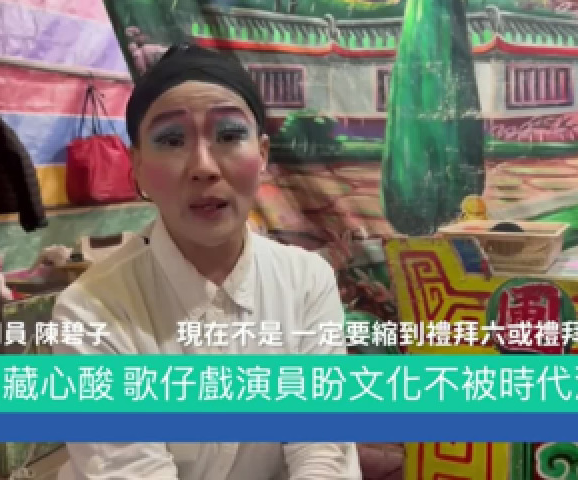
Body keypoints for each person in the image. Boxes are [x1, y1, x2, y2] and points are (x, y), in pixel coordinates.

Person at [51, 43, 362, 480]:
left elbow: (322, 446)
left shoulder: (306, 280)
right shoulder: (90, 310)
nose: (204, 167)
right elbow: (131, 470)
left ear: (263, 154)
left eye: (230, 135)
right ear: (137, 167)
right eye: (171, 140)